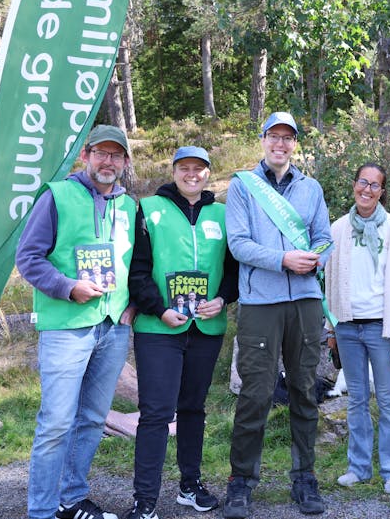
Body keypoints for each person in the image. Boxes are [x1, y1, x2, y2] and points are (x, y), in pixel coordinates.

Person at [15, 125, 135, 519]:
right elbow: (29, 257)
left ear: (125, 162)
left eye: (116, 155)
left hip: (113, 327)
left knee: (93, 420)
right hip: (67, 327)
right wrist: (68, 287)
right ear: (86, 156)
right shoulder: (57, 195)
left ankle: (71, 498)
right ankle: (42, 511)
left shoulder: (129, 207)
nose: (108, 161)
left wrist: (130, 307)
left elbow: (134, 266)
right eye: (101, 153)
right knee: (56, 423)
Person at [223, 111, 333, 518]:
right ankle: (241, 482)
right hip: (259, 305)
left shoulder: (311, 188)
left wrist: (315, 260)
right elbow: (238, 244)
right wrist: (283, 259)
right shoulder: (242, 187)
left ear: (295, 144)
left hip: (304, 303)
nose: (280, 144)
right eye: (274, 137)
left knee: (305, 389)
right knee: (255, 394)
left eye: (288, 138)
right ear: (263, 140)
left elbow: (324, 239)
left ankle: (304, 477)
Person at [120, 146, 238, 519]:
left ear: (208, 173)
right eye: (184, 168)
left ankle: (190, 486)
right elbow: (137, 270)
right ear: (174, 172)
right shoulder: (149, 209)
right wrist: (159, 308)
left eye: (199, 169)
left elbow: (235, 270)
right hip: (159, 328)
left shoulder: (223, 214)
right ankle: (145, 502)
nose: (192, 174)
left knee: (192, 409)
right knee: (155, 413)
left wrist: (222, 299)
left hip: (206, 327)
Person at [326, 163, 390, 495]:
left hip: (382, 328)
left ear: (382, 191)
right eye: (363, 182)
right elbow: (329, 284)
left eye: (375, 185)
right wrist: (331, 328)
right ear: (354, 185)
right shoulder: (337, 229)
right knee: (357, 400)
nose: (368, 189)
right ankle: (359, 468)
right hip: (347, 326)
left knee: (388, 399)